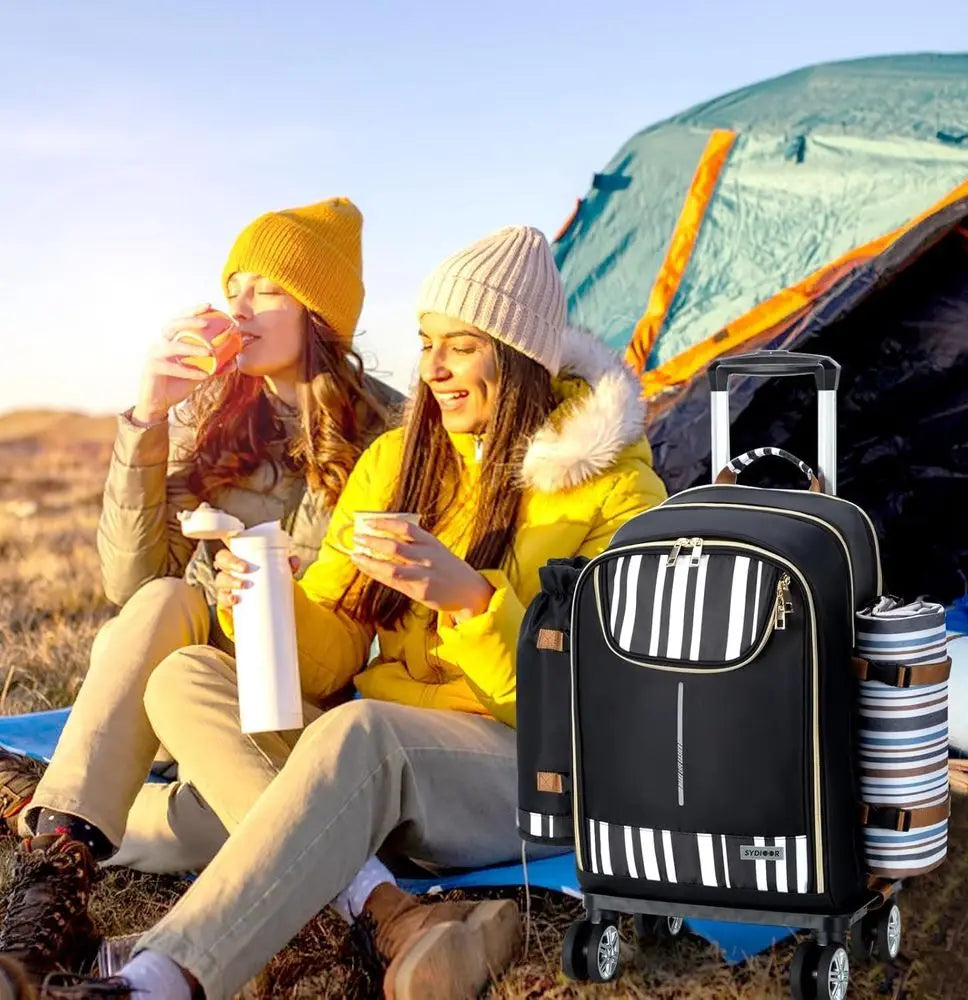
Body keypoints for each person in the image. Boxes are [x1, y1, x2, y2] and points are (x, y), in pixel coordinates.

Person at [0, 224, 666, 1000]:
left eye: (462, 346)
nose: (436, 369)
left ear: (519, 355)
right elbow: (332, 656)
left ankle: (156, 979)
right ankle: (382, 911)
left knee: (358, 733)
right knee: (184, 676)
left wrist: (471, 601)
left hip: (525, 765)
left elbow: (600, 697)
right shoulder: (399, 461)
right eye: (426, 343)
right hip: (379, 755)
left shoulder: (615, 487)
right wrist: (275, 601)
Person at [0, 197, 398, 981]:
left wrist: (272, 584)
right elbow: (128, 584)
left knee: (218, 824)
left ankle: (34, 806)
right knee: (162, 600)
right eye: (233, 284)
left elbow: (358, 629)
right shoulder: (210, 413)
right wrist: (146, 417)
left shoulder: (385, 432)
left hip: (302, 706)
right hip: (182, 690)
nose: (237, 306)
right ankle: (55, 882)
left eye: (266, 288)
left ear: (318, 311)